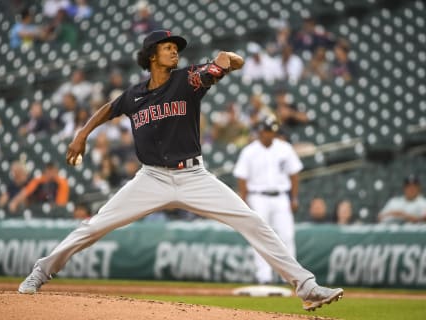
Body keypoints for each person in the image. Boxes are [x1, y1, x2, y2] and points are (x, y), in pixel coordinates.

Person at [18, 30, 343, 311]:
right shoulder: (134, 95)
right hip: (151, 178)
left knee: (253, 222)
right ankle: (41, 271)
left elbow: (221, 66)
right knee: (94, 227)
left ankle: (306, 287)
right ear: (151, 55)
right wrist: (82, 134)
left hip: (193, 176)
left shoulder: (187, 80)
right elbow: (109, 108)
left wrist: (226, 60)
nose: (175, 49)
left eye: (176, 46)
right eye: (167, 46)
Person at [233, 115, 302, 284]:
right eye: (266, 131)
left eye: (272, 131)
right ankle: (264, 276)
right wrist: (245, 199)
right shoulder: (249, 151)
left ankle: (291, 277)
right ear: (260, 131)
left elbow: (294, 174)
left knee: (286, 235)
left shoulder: (285, 148)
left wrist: (294, 198)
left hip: (280, 197)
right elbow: (242, 177)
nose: (269, 134)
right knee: (260, 236)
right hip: (258, 197)